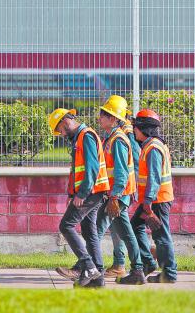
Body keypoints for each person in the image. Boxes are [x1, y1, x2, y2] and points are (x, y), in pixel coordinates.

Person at [49, 108, 110, 288]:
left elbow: (92, 169)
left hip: (91, 192)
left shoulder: (86, 136)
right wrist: (72, 194)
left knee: (66, 225)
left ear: (65, 122)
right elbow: (77, 171)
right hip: (92, 192)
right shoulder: (79, 138)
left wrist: (82, 194)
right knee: (89, 232)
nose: (60, 133)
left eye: (59, 129)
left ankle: (88, 266)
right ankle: (97, 278)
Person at [94, 96, 146, 285]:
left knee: (97, 229)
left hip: (118, 196)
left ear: (114, 119)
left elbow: (122, 173)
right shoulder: (111, 138)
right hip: (116, 195)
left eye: (104, 114)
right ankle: (138, 270)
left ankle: (88, 268)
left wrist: (114, 196)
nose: (100, 117)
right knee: (126, 232)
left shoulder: (118, 140)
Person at [131, 108, 177, 284]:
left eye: (136, 127)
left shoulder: (153, 148)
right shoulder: (152, 145)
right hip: (153, 200)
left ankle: (169, 274)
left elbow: (154, 177)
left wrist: (148, 202)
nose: (134, 130)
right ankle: (149, 262)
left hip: (157, 200)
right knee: (135, 226)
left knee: (161, 236)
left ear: (144, 128)